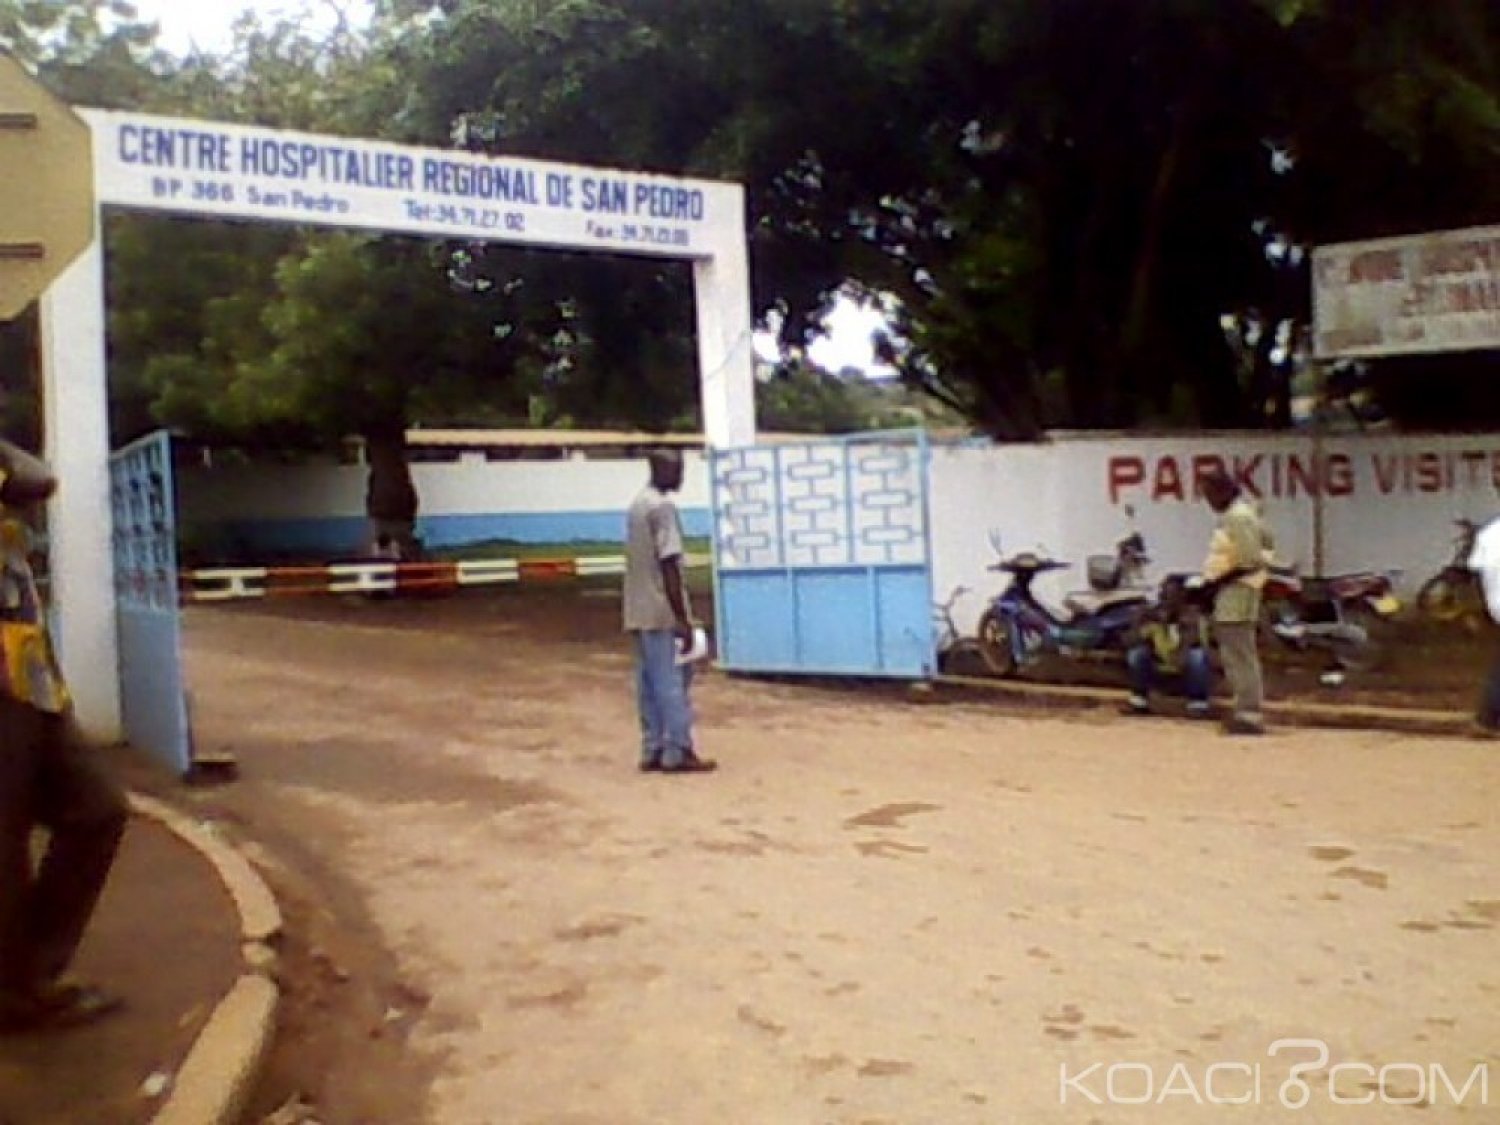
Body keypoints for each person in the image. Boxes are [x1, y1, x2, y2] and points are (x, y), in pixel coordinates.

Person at [0, 437, 128, 1033]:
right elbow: (30, 480)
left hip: (28, 672)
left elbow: (35, 477)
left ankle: (28, 970)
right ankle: (17, 993)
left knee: (97, 809)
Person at [624, 450, 715, 774]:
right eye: (676, 469)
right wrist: (683, 618)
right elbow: (669, 565)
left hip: (636, 608)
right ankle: (677, 750)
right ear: (659, 469)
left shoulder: (637, 504)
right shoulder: (662, 508)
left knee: (648, 682)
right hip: (661, 608)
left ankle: (652, 747)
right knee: (672, 682)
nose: (680, 476)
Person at [1200, 468, 1271, 736]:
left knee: (1240, 654)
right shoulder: (1232, 516)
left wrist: (1216, 583)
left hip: (1238, 593)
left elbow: (1249, 561)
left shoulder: (1240, 517)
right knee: (1234, 655)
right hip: (1229, 593)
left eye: (1210, 493)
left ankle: (1249, 713)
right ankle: (1243, 709)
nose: (1208, 500)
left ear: (1223, 491)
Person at [1122, 575, 1213, 719]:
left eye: (1172, 595)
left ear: (1182, 596)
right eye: (1164, 594)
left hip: (1185, 669)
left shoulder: (1193, 615)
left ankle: (1198, 705)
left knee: (1197, 656)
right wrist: (1140, 622)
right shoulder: (1152, 615)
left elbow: (1193, 643)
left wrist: (1181, 644)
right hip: (1158, 666)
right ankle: (1139, 702)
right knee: (1136, 654)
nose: (1167, 599)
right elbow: (1130, 641)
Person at [1467, 514, 1500, 734]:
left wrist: (1481, 610)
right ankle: (1487, 718)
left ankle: (1487, 718)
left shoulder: (1489, 532)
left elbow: (1475, 574)